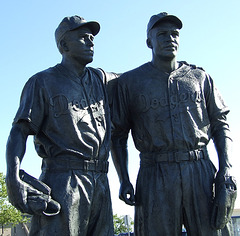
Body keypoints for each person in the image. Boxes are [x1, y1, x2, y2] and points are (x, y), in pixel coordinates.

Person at [111, 12, 236, 236]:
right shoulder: (130, 82)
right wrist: (124, 179)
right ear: (149, 41)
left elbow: (220, 123)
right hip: (154, 173)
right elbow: (118, 135)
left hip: (200, 171)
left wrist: (226, 168)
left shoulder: (200, 77)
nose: (170, 38)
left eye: (175, 34)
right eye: (162, 34)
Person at [6, 15, 118, 236]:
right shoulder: (42, 81)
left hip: (101, 181)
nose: (91, 42)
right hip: (63, 180)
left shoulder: (100, 79)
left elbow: (139, 78)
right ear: (64, 45)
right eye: (83, 37)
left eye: (92, 37)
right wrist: (13, 177)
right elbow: (19, 131)